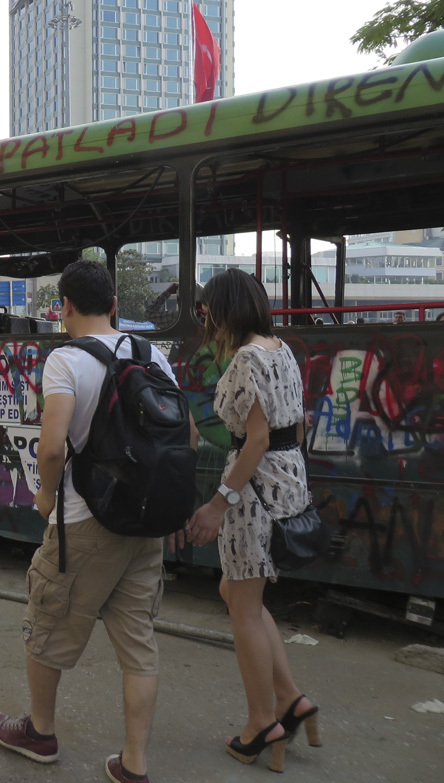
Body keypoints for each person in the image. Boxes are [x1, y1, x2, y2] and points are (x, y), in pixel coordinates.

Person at [0, 259, 192, 782]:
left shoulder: (65, 361)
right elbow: (188, 439)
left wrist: (45, 496)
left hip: (85, 522)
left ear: (65, 309)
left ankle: (39, 731)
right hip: (144, 527)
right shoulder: (154, 356)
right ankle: (133, 764)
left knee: (49, 622)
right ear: (117, 305)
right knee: (138, 643)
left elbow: (52, 447)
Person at [175, 268, 318, 773]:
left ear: (225, 310)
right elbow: (295, 427)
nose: (205, 322)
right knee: (238, 597)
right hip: (283, 485)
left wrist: (219, 502)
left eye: (206, 311)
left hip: (251, 493)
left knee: (244, 607)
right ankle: (291, 700)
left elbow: (255, 440)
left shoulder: (244, 360)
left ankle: (262, 722)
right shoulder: (281, 350)